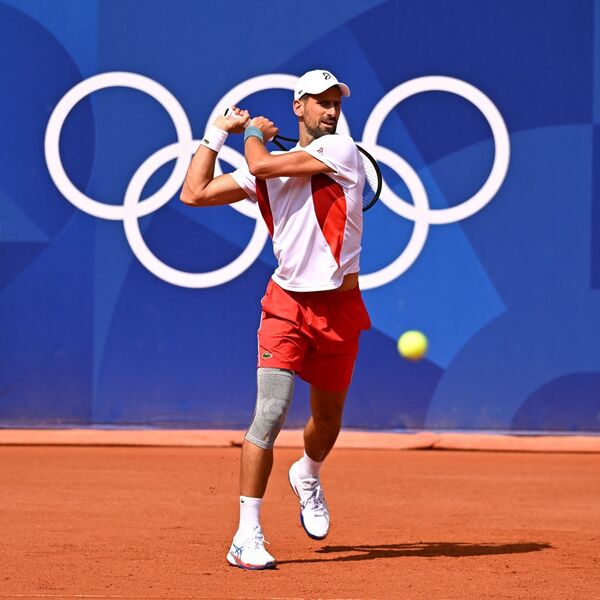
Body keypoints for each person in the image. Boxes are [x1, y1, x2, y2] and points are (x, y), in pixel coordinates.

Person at [179, 69, 370, 570]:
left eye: (336, 102)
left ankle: (307, 472)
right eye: (321, 102)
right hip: (285, 306)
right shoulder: (268, 168)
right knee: (269, 413)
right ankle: (246, 535)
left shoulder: (340, 150)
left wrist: (252, 133)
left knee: (326, 421)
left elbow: (261, 164)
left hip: (339, 309)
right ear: (298, 107)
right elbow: (194, 193)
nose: (331, 111)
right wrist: (216, 133)